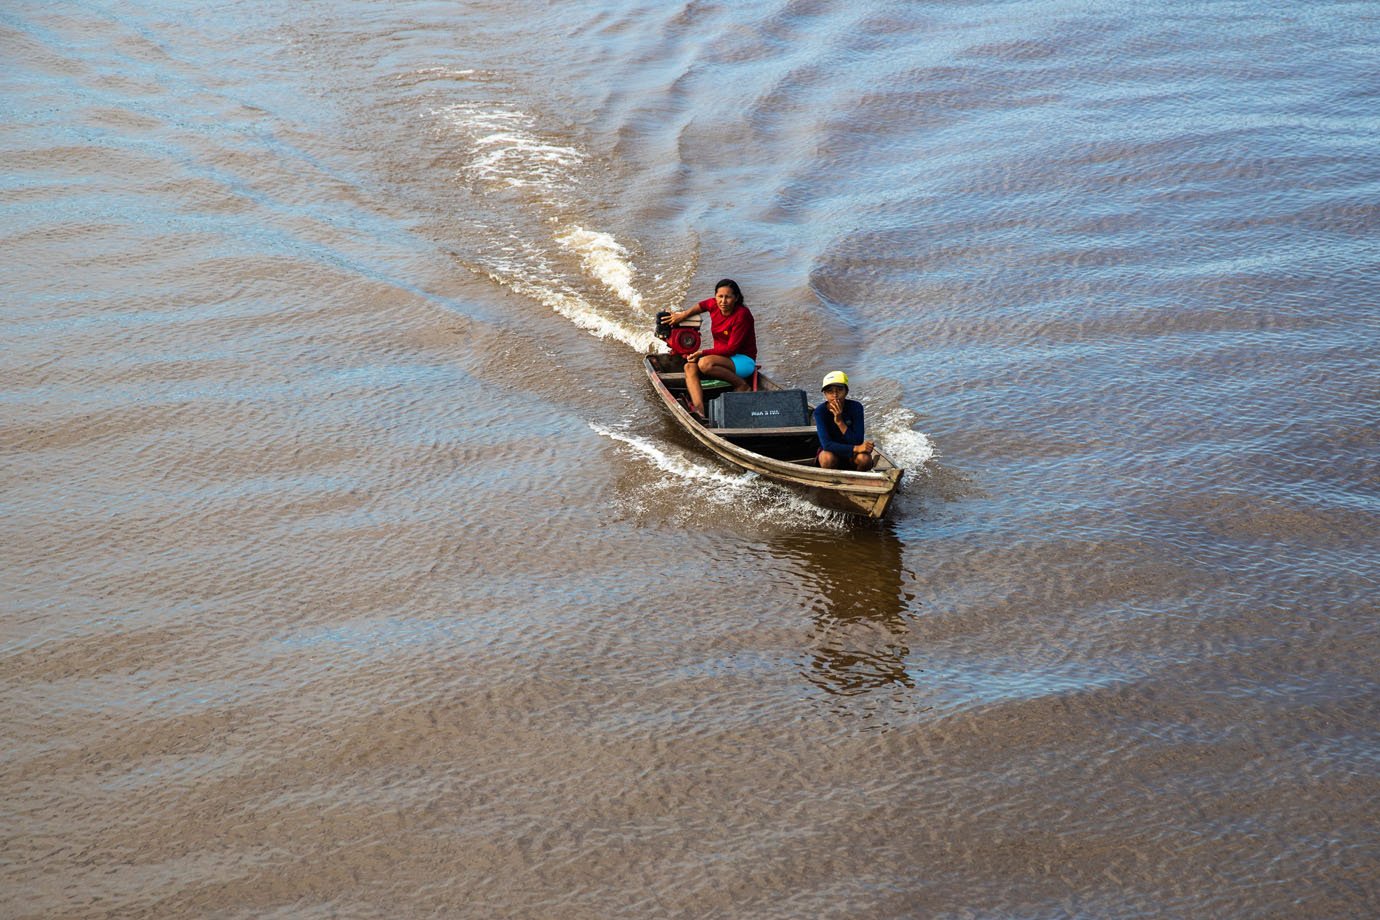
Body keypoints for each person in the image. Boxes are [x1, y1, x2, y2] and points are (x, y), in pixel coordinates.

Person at [662, 279, 757, 419]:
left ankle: (742, 385)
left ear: (736, 298)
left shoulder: (742, 315)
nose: (723, 301)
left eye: (728, 297)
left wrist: (702, 353)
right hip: (724, 358)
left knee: (705, 363)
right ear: (715, 297)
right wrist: (683, 315)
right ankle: (700, 412)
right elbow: (701, 306)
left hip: (743, 360)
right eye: (720, 296)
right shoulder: (713, 304)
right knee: (689, 367)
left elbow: (731, 349)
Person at [814, 371, 876, 471]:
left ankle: (857, 480)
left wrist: (839, 422)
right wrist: (856, 448)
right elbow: (827, 445)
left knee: (864, 459)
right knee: (827, 458)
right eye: (830, 391)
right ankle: (833, 482)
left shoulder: (856, 407)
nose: (835, 395)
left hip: (852, 455)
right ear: (825, 394)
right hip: (831, 452)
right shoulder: (820, 412)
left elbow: (857, 440)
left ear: (846, 392)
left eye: (839, 390)